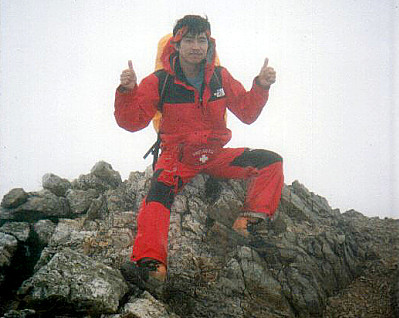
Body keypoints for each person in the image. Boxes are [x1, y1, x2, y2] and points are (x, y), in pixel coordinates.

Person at [114, 15, 284, 289]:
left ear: (209, 44)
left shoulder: (220, 76)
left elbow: (247, 112)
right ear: (176, 45)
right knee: (157, 197)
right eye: (189, 40)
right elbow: (132, 122)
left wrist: (261, 85)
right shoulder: (160, 81)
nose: (196, 46)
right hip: (176, 158)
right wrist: (127, 91)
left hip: (215, 153)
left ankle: (248, 222)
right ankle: (151, 265)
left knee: (271, 162)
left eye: (201, 40)